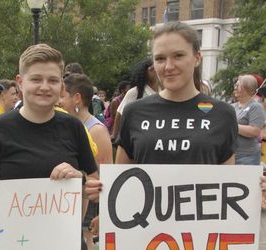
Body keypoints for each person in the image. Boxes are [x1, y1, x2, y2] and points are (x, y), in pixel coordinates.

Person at [0, 44, 98, 250]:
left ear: (61, 85)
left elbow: (94, 184)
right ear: (21, 82)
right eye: (36, 79)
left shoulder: (73, 127)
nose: (44, 87)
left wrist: (78, 178)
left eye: (52, 80)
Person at [85, 21, 238, 196]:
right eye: (160, 59)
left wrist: (256, 192)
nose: (168, 66)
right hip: (142, 220)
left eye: (178, 55)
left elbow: (229, 184)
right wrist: (99, 190)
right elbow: (121, 180)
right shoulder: (134, 112)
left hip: (201, 221)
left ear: (197, 58)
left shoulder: (222, 114)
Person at [60, 73, 112, 250]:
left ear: (77, 98)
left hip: (88, 200)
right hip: (70, 200)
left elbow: (104, 171)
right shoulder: (68, 126)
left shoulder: (96, 129)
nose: (59, 100)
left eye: (63, 95)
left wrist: (103, 211)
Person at [111, 58, 159, 139]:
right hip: (139, 135)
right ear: (144, 73)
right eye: (151, 69)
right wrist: (114, 135)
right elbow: (120, 113)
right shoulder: (135, 92)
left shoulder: (165, 90)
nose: (155, 71)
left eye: (157, 68)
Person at [232, 74, 265, 165]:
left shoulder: (255, 107)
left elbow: (255, 131)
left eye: (238, 85)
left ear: (247, 88)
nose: (235, 87)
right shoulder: (232, 107)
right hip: (231, 155)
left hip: (247, 157)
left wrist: (232, 126)